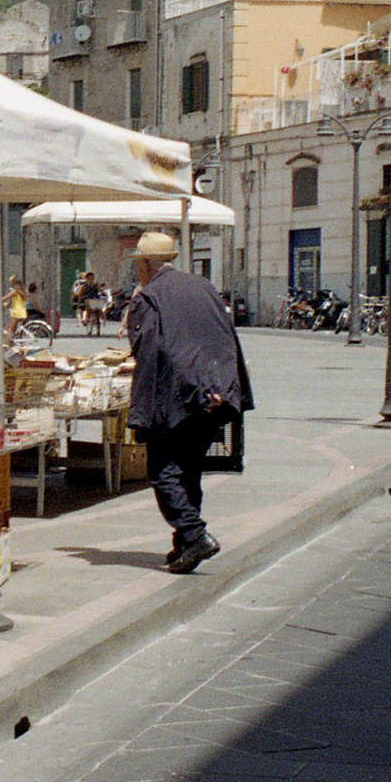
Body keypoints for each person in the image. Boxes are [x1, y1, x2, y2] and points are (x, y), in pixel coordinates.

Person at [125, 231, 253, 575]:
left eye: (138, 263)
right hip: (213, 394)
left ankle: (196, 535)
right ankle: (184, 545)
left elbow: (149, 349)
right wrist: (221, 386)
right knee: (190, 470)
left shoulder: (148, 297)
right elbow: (225, 337)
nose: (137, 269)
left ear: (146, 264)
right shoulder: (204, 287)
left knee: (163, 471)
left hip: (175, 396)